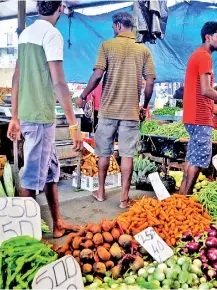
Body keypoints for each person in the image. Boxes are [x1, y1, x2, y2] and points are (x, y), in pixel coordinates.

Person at [7, 0, 82, 238]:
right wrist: (73, 125)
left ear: (38, 9)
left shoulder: (26, 34)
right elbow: (59, 82)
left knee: (50, 171)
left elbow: (16, 78)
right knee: (30, 179)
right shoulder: (52, 35)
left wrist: (15, 116)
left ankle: (57, 223)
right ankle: (24, 238)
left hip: (32, 115)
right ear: (60, 7)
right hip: (40, 117)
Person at [77, 12, 156, 208]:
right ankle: (123, 199)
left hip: (107, 111)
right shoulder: (143, 50)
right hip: (130, 112)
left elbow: (97, 76)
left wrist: (83, 95)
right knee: (127, 154)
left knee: (104, 153)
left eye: (113, 27)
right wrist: (144, 106)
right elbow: (150, 83)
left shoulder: (107, 46)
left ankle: (101, 192)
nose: (113, 30)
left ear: (119, 25)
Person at [179, 21, 217, 195]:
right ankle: (186, 198)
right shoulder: (204, 56)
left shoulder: (198, 55)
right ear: (208, 37)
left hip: (195, 116)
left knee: (192, 159)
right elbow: (206, 90)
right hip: (199, 119)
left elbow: (202, 92)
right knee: (197, 161)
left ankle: (181, 199)